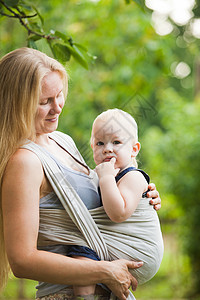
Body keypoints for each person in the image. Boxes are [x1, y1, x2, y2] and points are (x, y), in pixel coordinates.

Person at [0, 47, 162, 300]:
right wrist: (104, 270)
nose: (58, 108)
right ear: (17, 103)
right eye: (44, 102)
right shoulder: (25, 162)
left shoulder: (60, 140)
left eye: (60, 95)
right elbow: (22, 260)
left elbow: (92, 204)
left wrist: (137, 194)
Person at [67, 109, 164, 297]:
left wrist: (106, 179)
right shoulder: (104, 176)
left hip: (139, 254)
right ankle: (97, 291)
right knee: (79, 273)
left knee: (80, 250)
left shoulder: (133, 177)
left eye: (117, 142)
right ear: (92, 146)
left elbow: (118, 213)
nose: (107, 149)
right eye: (100, 143)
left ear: (134, 149)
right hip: (111, 248)